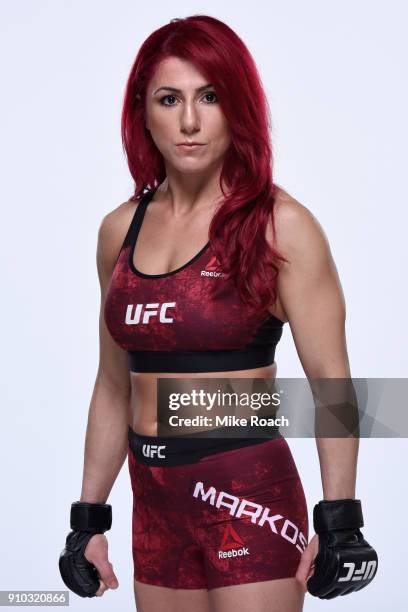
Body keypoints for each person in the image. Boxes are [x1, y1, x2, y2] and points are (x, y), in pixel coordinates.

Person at [59, 15, 378, 612]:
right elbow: (111, 385)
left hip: (246, 494)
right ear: (142, 111)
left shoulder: (280, 227)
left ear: (239, 107)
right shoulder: (117, 233)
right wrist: (88, 518)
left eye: (210, 96)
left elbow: (332, 386)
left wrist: (341, 519)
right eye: (169, 98)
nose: (189, 121)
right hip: (154, 503)